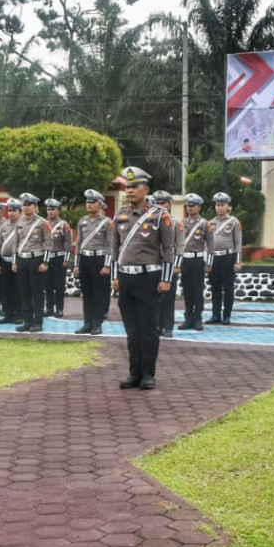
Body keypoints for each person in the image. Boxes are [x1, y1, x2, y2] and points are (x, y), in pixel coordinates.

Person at [110, 167, 175, 390]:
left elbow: (169, 249)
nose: (130, 190)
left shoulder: (160, 215)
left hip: (150, 278)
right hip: (126, 278)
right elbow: (114, 248)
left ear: (146, 189)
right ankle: (134, 373)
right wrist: (114, 276)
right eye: (127, 187)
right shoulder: (120, 215)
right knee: (132, 330)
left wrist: (166, 279)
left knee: (148, 328)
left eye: (135, 186)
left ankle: (148, 374)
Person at [74, 189, 112, 335]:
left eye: (93, 202)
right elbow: (78, 243)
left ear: (100, 204)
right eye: (88, 202)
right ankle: (87, 323)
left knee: (99, 294)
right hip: (85, 259)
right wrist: (77, 264)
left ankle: (97, 323)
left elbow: (110, 244)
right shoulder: (82, 221)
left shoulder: (106, 222)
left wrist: (107, 264)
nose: (89, 205)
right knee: (87, 293)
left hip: (99, 259)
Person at [13, 193, 52, 333]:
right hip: (22, 260)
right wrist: (15, 261)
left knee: (37, 293)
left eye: (29, 205)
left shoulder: (42, 222)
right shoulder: (19, 222)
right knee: (24, 292)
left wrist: (45, 262)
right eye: (24, 204)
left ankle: (38, 322)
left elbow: (48, 243)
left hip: (36, 259)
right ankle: (27, 321)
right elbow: (15, 243)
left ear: (35, 206)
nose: (26, 207)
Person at [206, 192, 242, 324]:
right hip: (215, 258)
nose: (219, 207)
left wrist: (237, 261)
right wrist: (208, 262)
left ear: (228, 207)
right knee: (215, 288)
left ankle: (227, 315)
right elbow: (208, 245)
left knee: (228, 288)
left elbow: (238, 243)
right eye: (217, 205)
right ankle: (215, 315)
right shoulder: (210, 223)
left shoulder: (234, 222)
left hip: (228, 257)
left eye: (222, 205)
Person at [153, 191, 184, 337]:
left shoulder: (176, 222)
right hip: (153, 265)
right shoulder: (149, 221)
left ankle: (168, 327)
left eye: (163, 203)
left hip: (169, 265)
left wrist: (176, 265)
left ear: (169, 204)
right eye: (157, 203)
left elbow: (180, 246)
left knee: (168, 298)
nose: (160, 206)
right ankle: (157, 326)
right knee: (154, 299)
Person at [177, 193, 208, 331]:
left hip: (198, 259)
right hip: (185, 260)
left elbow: (210, 244)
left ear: (199, 207)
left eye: (193, 206)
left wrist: (209, 262)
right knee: (187, 290)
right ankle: (188, 318)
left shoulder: (204, 224)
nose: (190, 208)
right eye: (188, 206)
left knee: (197, 290)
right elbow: (178, 244)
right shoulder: (182, 223)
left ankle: (198, 319)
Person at [0, 199, 22, 325]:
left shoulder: (23, 224)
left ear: (20, 212)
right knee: (6, 289)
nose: (11, 213)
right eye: (9, 210)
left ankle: (19, 314)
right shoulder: (4, 226)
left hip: (19, 261)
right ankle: (8, 314)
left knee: (19, 289)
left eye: (14, 210)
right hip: (5, 261)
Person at [44, 198, 73, 318]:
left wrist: (67, 259)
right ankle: (49, 308)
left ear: (58, 211)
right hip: (46, 258)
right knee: (47, 284)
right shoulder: (43, 224)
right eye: (48, 209)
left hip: (59, 257)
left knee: (59, 285)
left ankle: (59, 309)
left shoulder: (63, 224)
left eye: (53, 209)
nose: (50, 211)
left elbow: (68, 242)